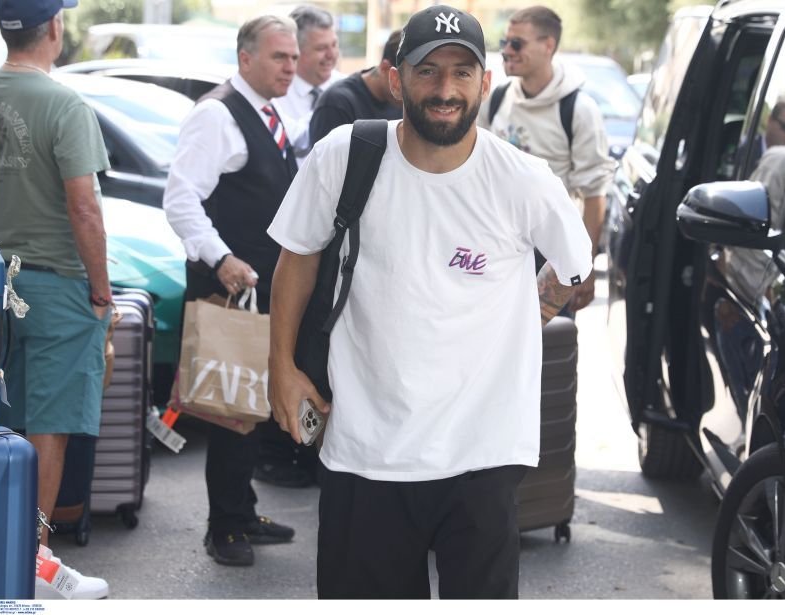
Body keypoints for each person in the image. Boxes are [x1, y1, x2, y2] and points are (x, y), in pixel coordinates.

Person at [267, 4, 593, 599]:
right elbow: (298, 256)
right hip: (364, 450)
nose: (446, 89)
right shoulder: (345, 155)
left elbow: (575, 266)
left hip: (482, 455)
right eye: (428, 71)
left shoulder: (522, 180)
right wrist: (281, 367)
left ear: (484, 84)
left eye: (462, 72)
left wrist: (533, 314)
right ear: (396, 80)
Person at [0, 0, 111, 599]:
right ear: (55, 27)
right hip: (57, 285)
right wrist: (102, 291)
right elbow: (84, 207)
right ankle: (30, 562)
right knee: (49, 427)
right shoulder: (65, 105)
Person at [162, 14, 298, 568]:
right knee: (230, 409)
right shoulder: (217, 114)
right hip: (229, 288)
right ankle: (224, 528)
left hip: (260, 289)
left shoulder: (267, 111)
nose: (290, 67)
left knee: (252, 403)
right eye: (279, 57)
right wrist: (221, 258)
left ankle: (242, 511)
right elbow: (180, 199)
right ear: (246, 58)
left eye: (293, 57)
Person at [479, 5, 614, 312]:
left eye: (517, 43)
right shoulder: (496, 99)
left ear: (548, 46)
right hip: (495, 248)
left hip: (551, 254)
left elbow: (594, 194)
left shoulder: (579, 110)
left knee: (547, 340)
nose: (506, 51)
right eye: (504, 42)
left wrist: (584, 267)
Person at [273, 5, 343, 164]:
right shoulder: (274, 96)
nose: (331, 55)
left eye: (334, 45)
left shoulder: (350, 90)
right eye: (321, 48)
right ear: (295, 50)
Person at [309, 29, 403, 146]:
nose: (411, 93)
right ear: (385, 68)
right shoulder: (337, 104)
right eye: (403, 82)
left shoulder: (406, 102)